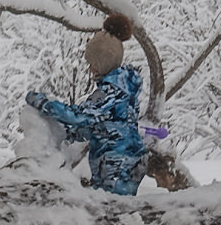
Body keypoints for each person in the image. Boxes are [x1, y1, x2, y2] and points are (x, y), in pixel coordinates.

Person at [26, 13, 149, 197]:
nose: (90, 68)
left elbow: (80, 116)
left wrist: (45, 104)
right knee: (114, 212)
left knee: (114, 212)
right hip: (124, 160)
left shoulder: (111, 91)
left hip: (118, 163)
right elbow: (104, 125)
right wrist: (68, 134)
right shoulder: (123, 87)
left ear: (103, 62)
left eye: (93, 63)